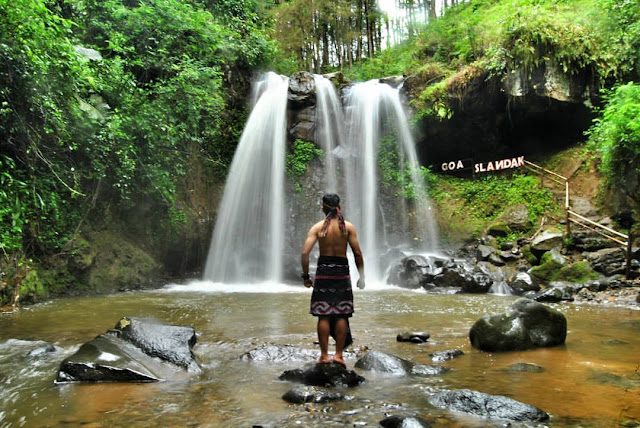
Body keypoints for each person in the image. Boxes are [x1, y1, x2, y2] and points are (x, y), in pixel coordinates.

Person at [301, 193, 365, 368]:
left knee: (323, 314)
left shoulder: (318, 228)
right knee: (342, 313)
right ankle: (338, 355)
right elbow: (357, 253)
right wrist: (362, 277)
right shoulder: (348, 228)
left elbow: (305, 253)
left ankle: (323, 356)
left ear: (324, 207)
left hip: (324, 272)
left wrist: (306, 277)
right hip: (342, 272)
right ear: (339, 207)